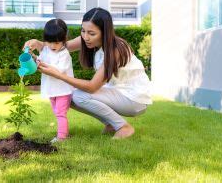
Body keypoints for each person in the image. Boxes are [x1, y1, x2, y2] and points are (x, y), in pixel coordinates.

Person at [25, 8, 152, 139]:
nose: (85, 37)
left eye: (91, 33)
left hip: (133, 98)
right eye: (83, 31)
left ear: (104, 32)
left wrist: (58, 75)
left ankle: (123, 127)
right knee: (68, 94)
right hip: (117, 92)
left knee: (78, 95)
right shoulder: (87, 39)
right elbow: (60, 47)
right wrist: (38, 43)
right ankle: (110, 124)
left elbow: (92, 87)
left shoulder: (115, 50)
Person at [36, 19, 74, 143]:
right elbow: (40, 60)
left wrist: (42, 66)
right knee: (57, 112)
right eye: (49, 42)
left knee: (60, 113)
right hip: (52, 89)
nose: (52, 46)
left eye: (56, 43)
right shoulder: (46, 49)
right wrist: (34, 58)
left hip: (63, 90)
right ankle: (63, 133)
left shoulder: (64, 54)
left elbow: (59, 71)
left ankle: (62, 137)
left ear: (64, 40)